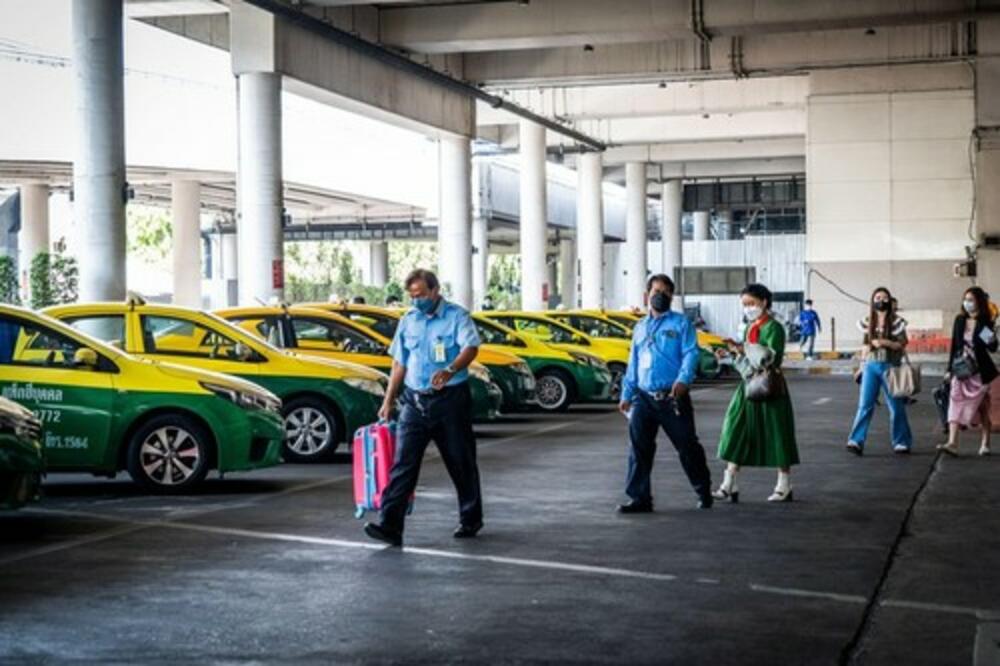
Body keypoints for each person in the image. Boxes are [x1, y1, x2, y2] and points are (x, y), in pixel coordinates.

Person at [363, 269, 484, 547]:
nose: (416, 301)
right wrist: (388, 399)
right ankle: (390, 526)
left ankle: (471, 518)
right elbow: (399, 363)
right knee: (403, 465)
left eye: (420, 295)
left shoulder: (456, 316)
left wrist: (451, 369)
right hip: (414, 402)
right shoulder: (409, 320)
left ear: (434, 291)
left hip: (450, 401)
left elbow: (471, 348)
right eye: (412, 296)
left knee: (460, 462)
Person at [618, 274, 714, 512]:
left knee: (687, 446)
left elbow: (691, 353)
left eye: (665, 292)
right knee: (639, 449)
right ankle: (639, 498)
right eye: (655, 291)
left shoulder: (681, 324)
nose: (659, 296)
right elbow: (634, 362)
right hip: (643, 397)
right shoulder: (640, 327)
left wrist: (683, 380)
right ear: (647, 295)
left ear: (671, 296)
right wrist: (626, 394)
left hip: (673, 398)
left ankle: (703, 491)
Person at [713, 283, 799, 503]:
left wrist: (743, 349)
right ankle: (729, 482)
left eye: (751, 303)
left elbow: (770, 358)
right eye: (745, 304)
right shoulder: (749, 328)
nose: (748, 308)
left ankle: (784, 484)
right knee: (736, 430)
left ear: (764, 302)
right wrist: (732, 354)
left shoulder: (775, 328)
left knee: (777, 434)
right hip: (748, 386)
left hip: (769, 387)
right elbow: (747, 362)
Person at [846, 287, 913, 456]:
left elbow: (902, 344)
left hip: (890, 365)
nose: (880, 300)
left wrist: (885, 342)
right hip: (871, 365)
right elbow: (865, 346)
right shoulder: (868, 322)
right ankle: (856, 440)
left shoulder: (897, 322)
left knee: (896, 405)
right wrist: (861, 367)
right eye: (877, 297)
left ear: (889, 301)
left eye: (884, 297)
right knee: (865, 404)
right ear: (872, 300)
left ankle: (901, 441)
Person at [938, 287, 998, 457]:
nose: (967, 303)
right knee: (955, 401)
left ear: (979, 301)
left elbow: (992, 348)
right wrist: (949, 370)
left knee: (982, 407)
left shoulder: (985, 323)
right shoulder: (959, 320)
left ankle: (985, 441)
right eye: (965, 299)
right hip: (960, 369)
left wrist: (991, 336)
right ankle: (952, 443)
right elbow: (954, 346)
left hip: (979, 372)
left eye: (971, 299)